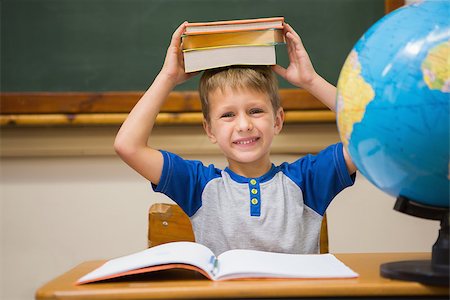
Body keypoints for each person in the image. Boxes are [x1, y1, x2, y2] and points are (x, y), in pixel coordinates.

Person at [114, 21, 357, 255]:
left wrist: (311, 81)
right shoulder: (198, 185)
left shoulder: (309, 180)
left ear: (277, 121)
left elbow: (370, 134)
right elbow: (128, 146)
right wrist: (167, 77)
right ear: (210, 130)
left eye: (255, 111)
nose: (244, 125)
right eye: (228, 115)